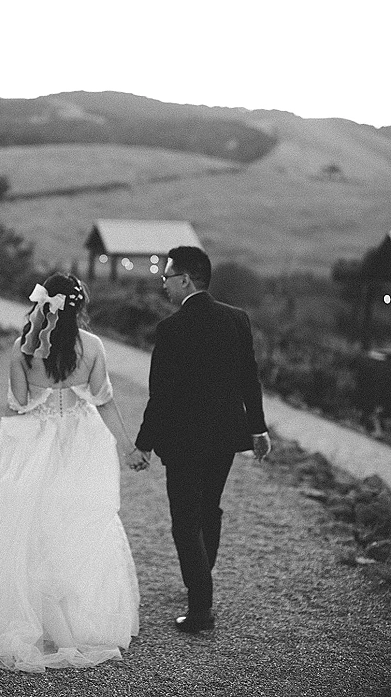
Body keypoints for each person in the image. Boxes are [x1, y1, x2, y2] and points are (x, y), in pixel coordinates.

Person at [0, 274, 141, 672]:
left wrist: (7, 450)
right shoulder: (92, 346)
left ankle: (27, 613)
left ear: (41, 304)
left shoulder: (24, 348)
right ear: (79, 306)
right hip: (79, 444)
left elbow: (18, 405)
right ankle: (72, 620)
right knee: (71, 526)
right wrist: (128, 448)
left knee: (27, 527)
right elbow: (104, 402)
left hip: (34, 443)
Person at [128, 246, 271, 633]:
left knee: (185, 522)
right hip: (225, 436)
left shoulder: (170, 329)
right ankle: (201, 578)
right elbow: (250, 378)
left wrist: (143, 443)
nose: (164, 284)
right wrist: (258, 429)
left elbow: (161, 395)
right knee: (209, 509)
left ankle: (200, 608)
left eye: (167, 277)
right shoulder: (237, 319)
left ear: (186, 280)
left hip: (184, 441)